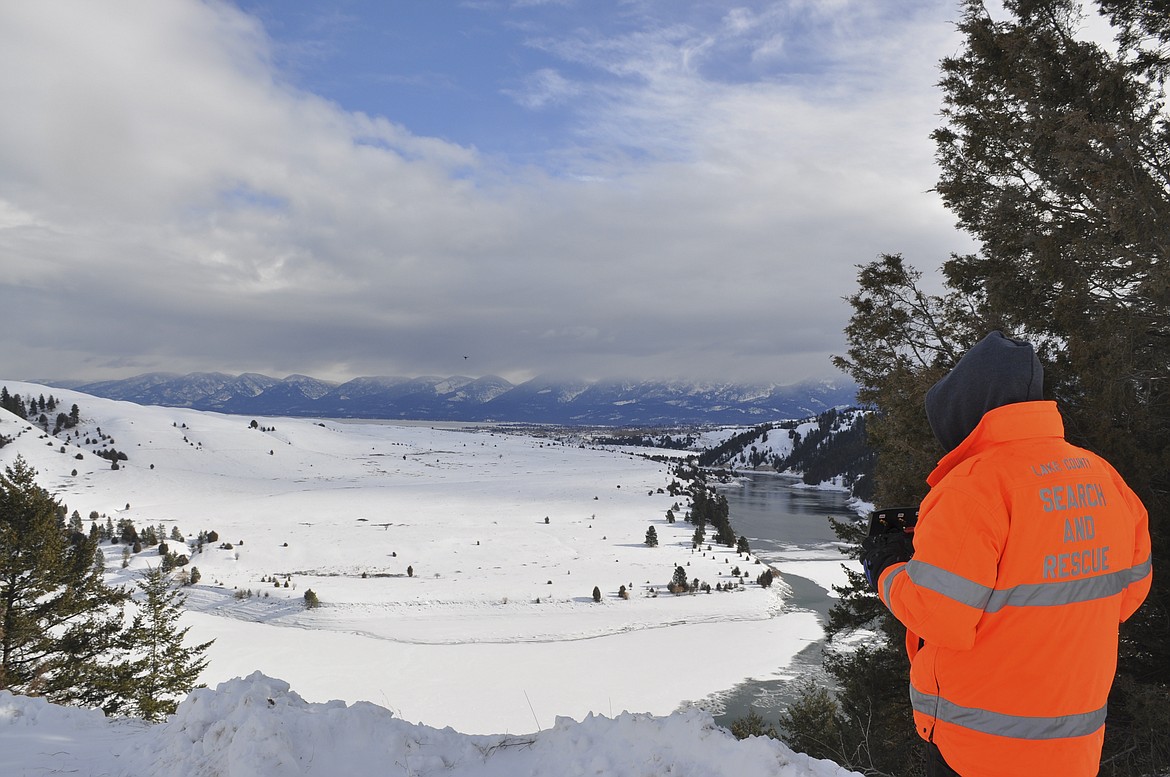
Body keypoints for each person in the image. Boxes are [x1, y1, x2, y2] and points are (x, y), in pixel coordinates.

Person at [860, 331, 1153, 777]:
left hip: (978, 744)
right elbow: (1127, 594)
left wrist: (887, 568)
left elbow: (938, 614)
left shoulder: (974, 487)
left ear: (964, 413)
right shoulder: (1101, 476)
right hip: (1074, 743)